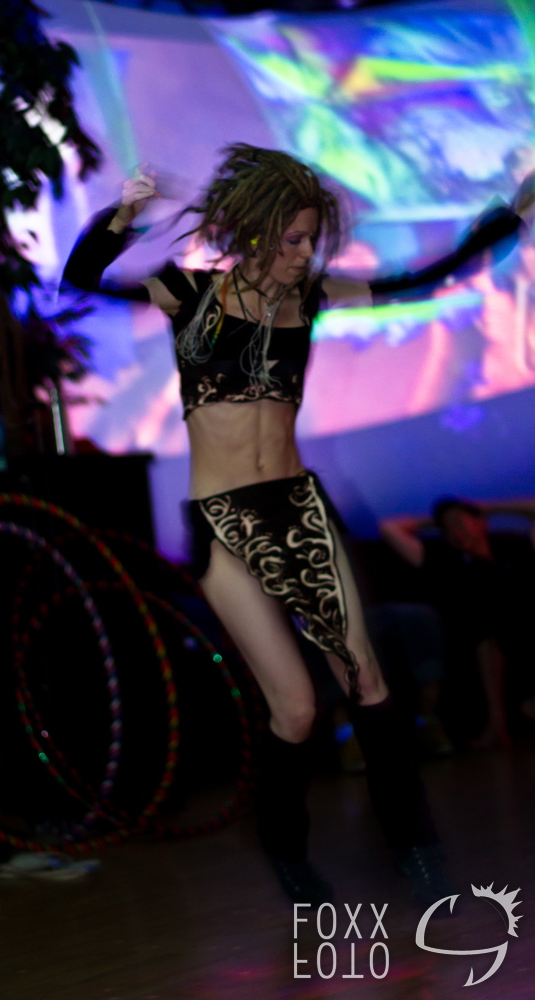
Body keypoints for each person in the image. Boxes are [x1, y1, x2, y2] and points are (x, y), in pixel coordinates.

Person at [62, 144, 534, 906]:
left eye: (311, 240)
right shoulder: (188, 293)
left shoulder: (310, 297)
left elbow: (422, 279)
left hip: (296, 510)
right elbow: (81, 279)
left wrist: (508, 217)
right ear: (254, 233)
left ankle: (416, 851)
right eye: (291, 239)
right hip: (221, 524)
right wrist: (121, 215)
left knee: (365, 678)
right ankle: (285, 852)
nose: (302, 254)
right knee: (296, 708)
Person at [380, 497, 535, 748]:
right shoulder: (441, 558)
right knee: (487, 625)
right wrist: (437, 522)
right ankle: (500, 723)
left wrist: (490, 508)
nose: (454, 531)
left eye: (461, 523)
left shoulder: (512, 552)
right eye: (447, 528)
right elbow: (389, 527)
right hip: (479, 628)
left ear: (481, 523)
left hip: (523, 624)